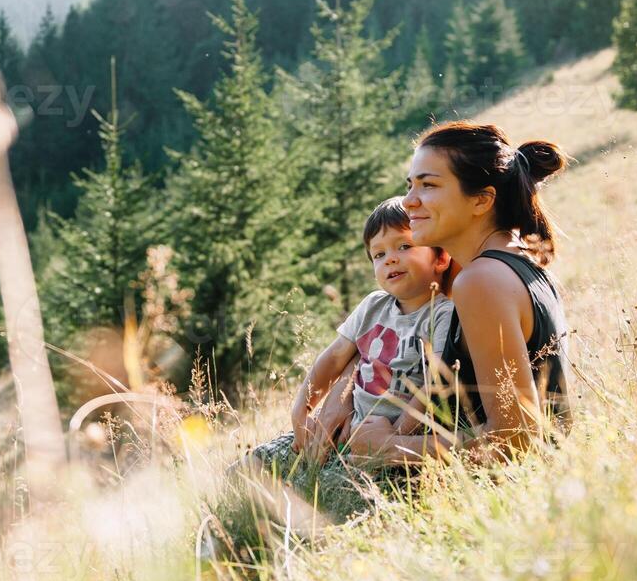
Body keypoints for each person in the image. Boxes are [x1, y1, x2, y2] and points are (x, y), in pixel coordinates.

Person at [362, 120, 572, 465]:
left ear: (481, 200)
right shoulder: (511, 261)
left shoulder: (482, 281)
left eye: (428, 185)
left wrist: (386, 447)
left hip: (498, 492)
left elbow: (517, 441)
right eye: (410, 186)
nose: (409, 202)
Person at [245, 197, 455, 504]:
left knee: (331, 497)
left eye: (404, 246)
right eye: (379, 254)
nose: (390, 259)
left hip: (390, 449)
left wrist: (392, 438)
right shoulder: (372, 306)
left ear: (440, 258)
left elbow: (432, 385)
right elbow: (332, 359)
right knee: (250, 467)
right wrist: (301, 410)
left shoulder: (442, 313)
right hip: (339, 434)